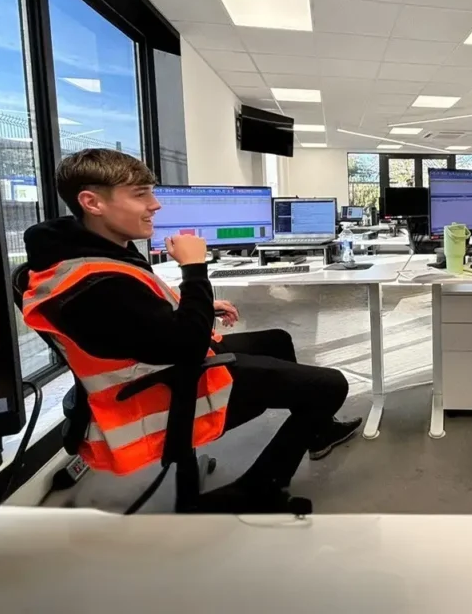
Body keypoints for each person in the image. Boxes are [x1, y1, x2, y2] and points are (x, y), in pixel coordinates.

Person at [22, 149, 359, 513]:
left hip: (152, 364)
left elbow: (131, 315)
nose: (155, 205)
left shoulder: (81, 250)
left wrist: (188, 302)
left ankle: (318, 430)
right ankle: (260, 487)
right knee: (330, 385)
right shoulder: (93, 284)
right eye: (140, 195)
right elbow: (188, 347)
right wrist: (195, 269)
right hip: (156, 395)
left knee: (276, 340)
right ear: (92, 202)